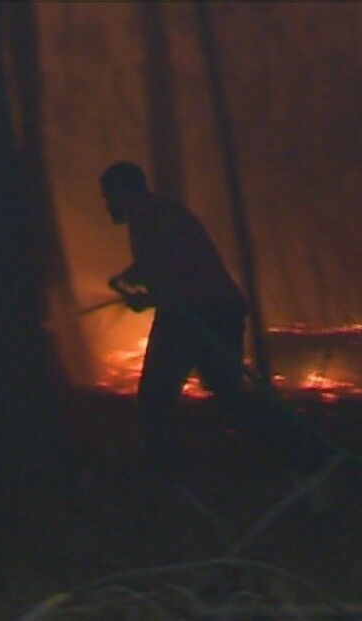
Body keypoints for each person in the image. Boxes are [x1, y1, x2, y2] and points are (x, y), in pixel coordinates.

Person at [101, 162, 250, 469]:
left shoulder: (147, 216)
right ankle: (295, 455)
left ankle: (162, 467)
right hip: (217, 308)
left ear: (124, 193)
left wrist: (145, 295)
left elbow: (165, 266)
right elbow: (163, 259)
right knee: (229, 394)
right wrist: (129, 281)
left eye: (108, 197)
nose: (106, 205)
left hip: (194, 314)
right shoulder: (157, 212)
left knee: (156, 394)